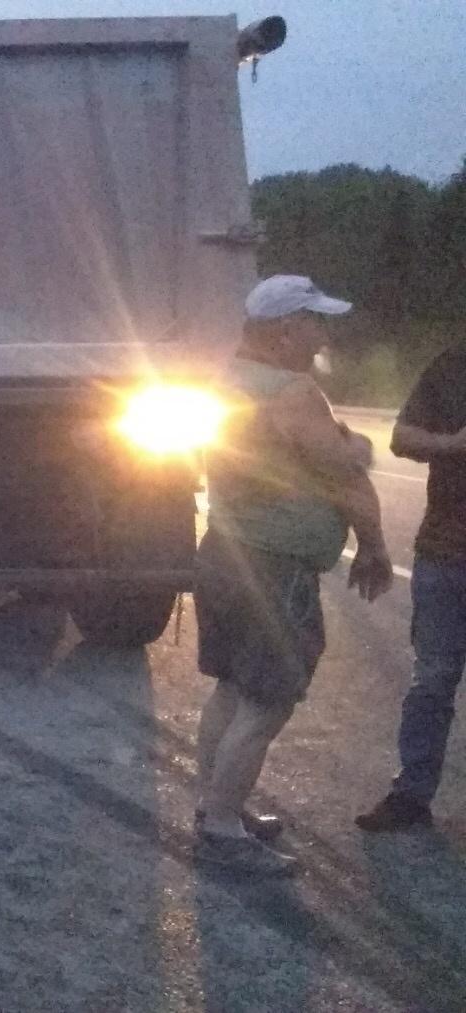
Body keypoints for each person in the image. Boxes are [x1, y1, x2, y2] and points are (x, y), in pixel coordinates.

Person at [193, 275, 394, 877]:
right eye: (314, 321)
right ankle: (225, 831)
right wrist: (374, 540)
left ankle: (215, 808)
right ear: (285, 329)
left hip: (225, 551)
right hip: (273, 568)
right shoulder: (293, 390)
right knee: (268, 702)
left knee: (230, 689)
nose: (322, 332)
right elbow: (347, 471)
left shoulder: (230, 378)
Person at [356, 340, 466, 831]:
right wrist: (454, 443)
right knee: (432, 681)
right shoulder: (452, 365)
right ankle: (411, 796)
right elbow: (401, 436)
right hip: (445, 552)